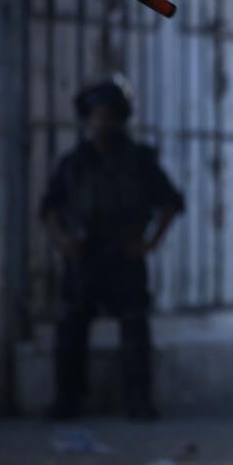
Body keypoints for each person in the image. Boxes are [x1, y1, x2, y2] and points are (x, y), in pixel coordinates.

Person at [41, 78, 184, 421]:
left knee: (135, 332)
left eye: (109, 115)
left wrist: (149, 243)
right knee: (71, 330)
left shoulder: (138, 160)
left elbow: (169, 203)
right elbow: (49, 207)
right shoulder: (75, 162)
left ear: (120, 118)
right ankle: (68, 401)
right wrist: (62, 239)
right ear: (87, 118)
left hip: (124, 255)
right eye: (96, 115)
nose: (102, 122)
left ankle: (138, 402)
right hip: (85, 256)